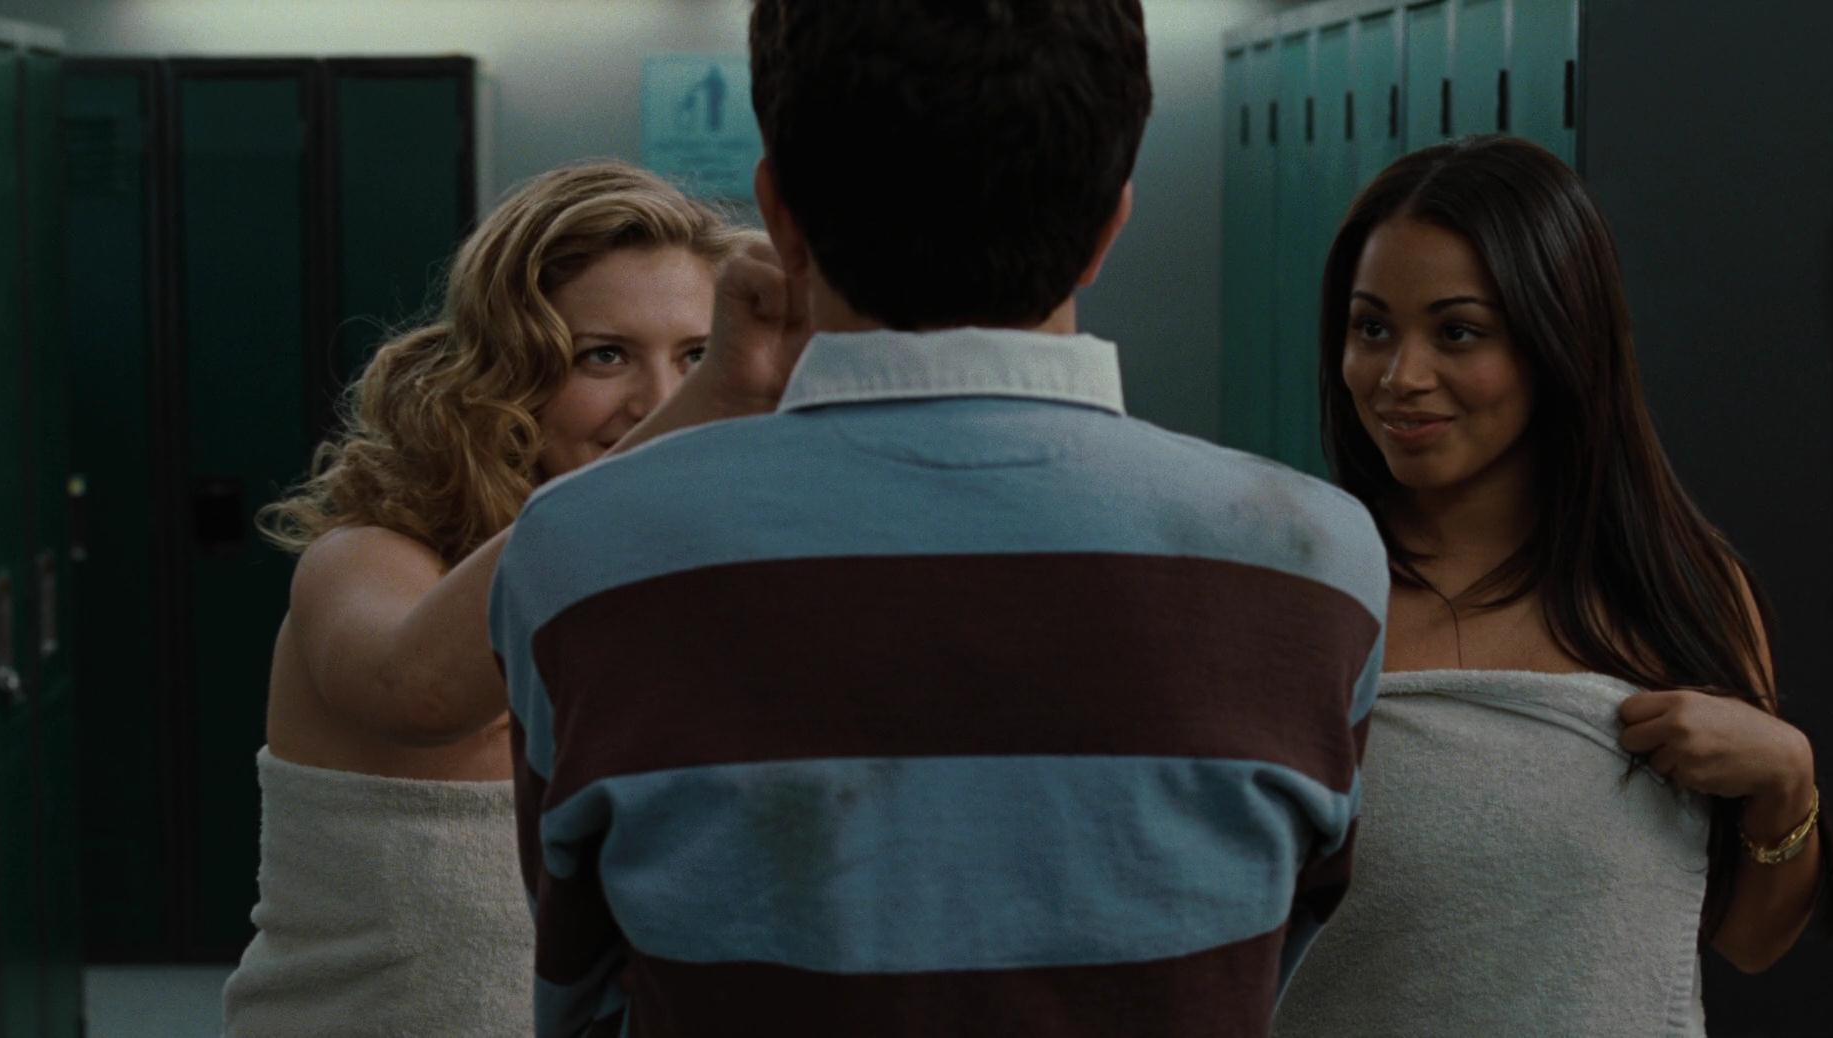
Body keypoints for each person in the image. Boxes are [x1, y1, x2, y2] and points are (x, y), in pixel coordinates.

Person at [490, 3, 1393, 1036]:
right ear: (1109, 227)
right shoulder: (1317, 566)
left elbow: (581, 983)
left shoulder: (582, 554)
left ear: (781, 219)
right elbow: (1262, 965)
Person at [1272, 135, 1833, 1035]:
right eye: (1371, 328)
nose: (1400, 378)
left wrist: (1786, 780)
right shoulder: (1302, 592)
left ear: (1558, 339)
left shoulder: (1683, 592)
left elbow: (1748, 941)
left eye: (1457, 332)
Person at [221, 161, 753, 1037]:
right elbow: (417, 692)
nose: (660, 400)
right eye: (605, 356)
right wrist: (698, 418)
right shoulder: (366, 560)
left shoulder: (684, 595)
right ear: (506, 373)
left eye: (696, 357)